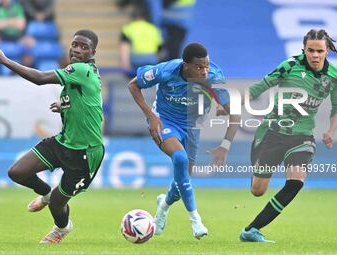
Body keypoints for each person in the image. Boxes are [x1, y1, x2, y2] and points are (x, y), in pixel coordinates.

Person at [0, 29, 105, 244]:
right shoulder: (81, 73)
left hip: (85, 153)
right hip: (63, 142)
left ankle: (62, 227)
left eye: (84, 47)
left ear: (93, 52)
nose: (77, 50)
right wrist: (65, 105)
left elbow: (39, 79)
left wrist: (4, 60)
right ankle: (46, 194)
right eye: (75, 44)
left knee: (58, 204)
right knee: (17, 172)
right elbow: (90, 104)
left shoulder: (81, 69)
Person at [129, 42, 240, 239]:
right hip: (165, 121)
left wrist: (224, 146)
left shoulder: (214, 76)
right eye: (199, 67)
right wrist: (151, 117)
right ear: (185, 65)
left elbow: (235, 116)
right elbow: (133, 85)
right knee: (180, 158)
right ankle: (195, 220)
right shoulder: (165, 70)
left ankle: (163, 206)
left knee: (183, 181)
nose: (204, 71)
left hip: (192, 128)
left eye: (206, 66)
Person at [240, 29, 337, 243]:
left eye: (319, 51)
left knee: (296, 182)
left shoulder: (334, 76)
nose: (314, 55)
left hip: (302, 136)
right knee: (258, 191)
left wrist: (330, 131)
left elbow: (336, 107)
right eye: (310, 50)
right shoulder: (290, 66)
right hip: (273, 133)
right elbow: (259, 88)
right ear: (304, 49)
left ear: (327, 50)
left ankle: (251, 229)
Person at [120, 8, 163, 77]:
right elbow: (160, 49)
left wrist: (125, 63)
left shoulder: (128, 28)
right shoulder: (153, 28)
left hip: (136, 59)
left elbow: (125, 47)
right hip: (152, 59)